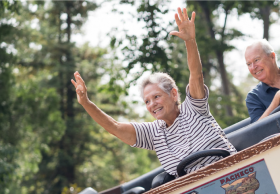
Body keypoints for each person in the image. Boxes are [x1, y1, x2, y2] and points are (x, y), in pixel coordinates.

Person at [71, 8, 236, 177]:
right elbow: (115, 127)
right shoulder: (154, 133)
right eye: (147, 101)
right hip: (196, 192)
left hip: (232, 173)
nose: (152, 104)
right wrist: (86, 103)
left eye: (156, 97)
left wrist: (190, 41)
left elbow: (196, 75)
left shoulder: (194, 108)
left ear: (173, 94)